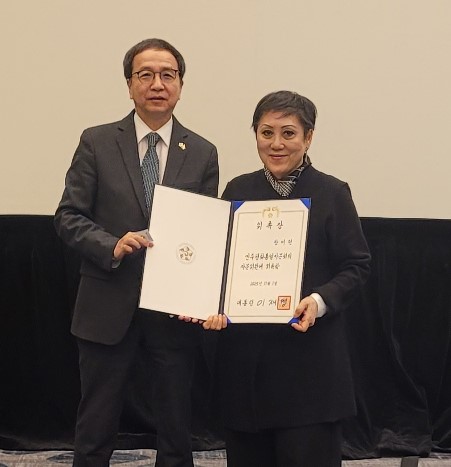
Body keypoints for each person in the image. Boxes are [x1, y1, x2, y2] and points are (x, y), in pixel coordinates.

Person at [54, 38, 220, 467]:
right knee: (96, 424)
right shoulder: (96, 142)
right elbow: (68, 217)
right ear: (129, 85)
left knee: (176, 428)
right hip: (106, 302)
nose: (157, 84)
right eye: (145, 75)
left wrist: (199, 295)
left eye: (168, 75)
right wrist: (111, 244)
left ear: (181, 85)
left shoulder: (202, 152)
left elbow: (203, 233)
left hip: (173, 310)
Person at [211, 90, 371, 467]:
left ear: (308, 137)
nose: (276, 144)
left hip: (309, 372)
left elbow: (357, 265)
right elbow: (219, 264)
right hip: (246, 372)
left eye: (288, 133)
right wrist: (209, 303)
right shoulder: (237, 191)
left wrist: (318, 301)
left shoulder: (332, 192)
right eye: (266, 133)